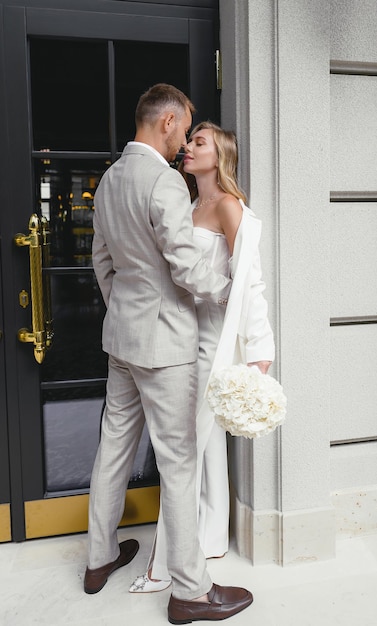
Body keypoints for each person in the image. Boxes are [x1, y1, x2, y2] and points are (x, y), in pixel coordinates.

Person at [84, 84, 253, 624]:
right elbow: (185, 266)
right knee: (179, 463)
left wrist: (126, 312)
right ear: (169, 121)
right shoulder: (164, 183)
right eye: (185, 128)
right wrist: (232, 290)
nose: (184, 140)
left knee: (114, 447)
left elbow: (101, 263)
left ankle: (98, 558)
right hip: (166, 344)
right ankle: (191, 592)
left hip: (122, 337)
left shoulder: (109, 180)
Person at [129, 121, 275, 593]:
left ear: (221, 155)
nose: (188, 149)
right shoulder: (192, 204)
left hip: (214, 339)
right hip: (184, 333)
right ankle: (209, 538)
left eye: (198, 143)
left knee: (186, 443)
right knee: (203, 443)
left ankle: (168, 564)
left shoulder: (230, 206)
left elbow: (250, 282)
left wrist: (259, 352)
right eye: (188, 141)